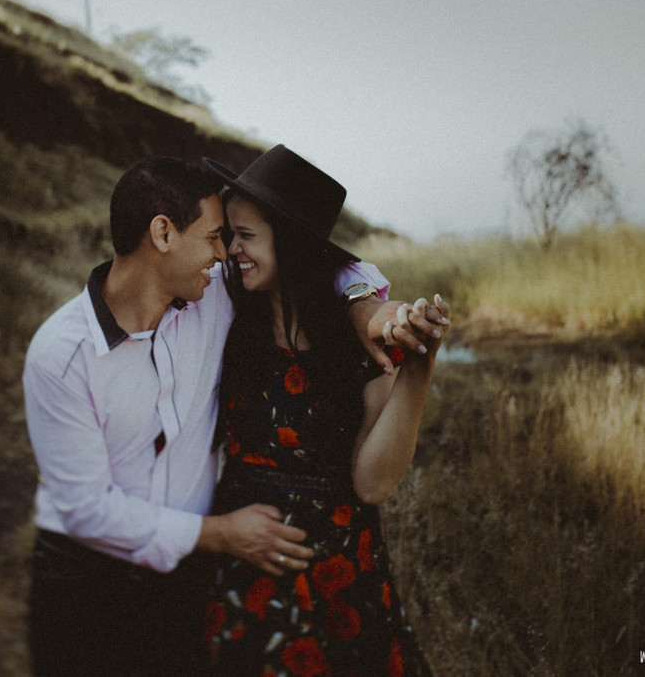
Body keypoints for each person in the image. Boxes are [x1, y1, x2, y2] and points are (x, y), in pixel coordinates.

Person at [22, 155, 442, 676]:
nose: (223, 254)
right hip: (88, 580)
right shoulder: (62, 354)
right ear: (162, 234)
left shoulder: (213, 294)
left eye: (231, 238)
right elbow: (86, 511)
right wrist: (219, 534)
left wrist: (364, 305)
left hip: (189, 580)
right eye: (216, 237)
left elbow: (319, 261)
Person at [200, 145, 449, 675]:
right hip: (243, 560)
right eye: (229, 234)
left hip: (338, 570)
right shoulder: (226, 313)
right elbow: (352, 274)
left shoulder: (356, 343)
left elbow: (373, 484)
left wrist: (417, 371)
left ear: (288, 245)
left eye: (245, 236)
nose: (231, 249)